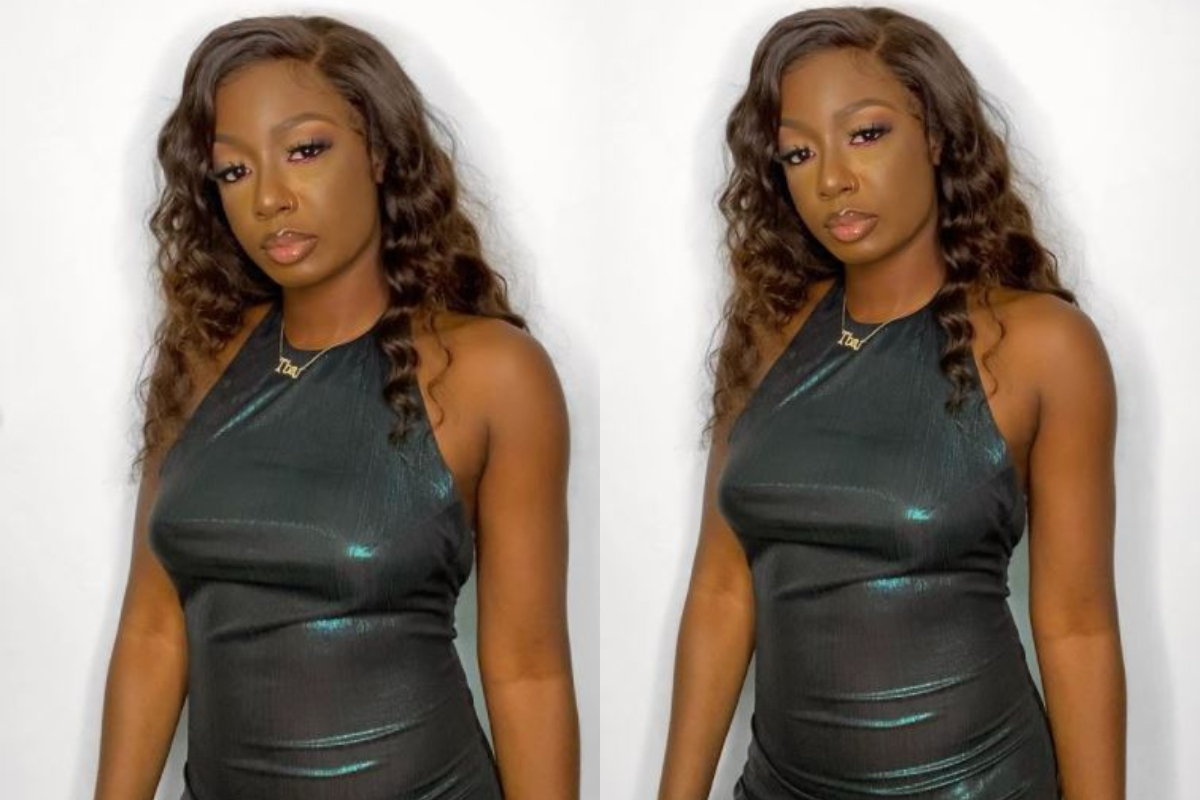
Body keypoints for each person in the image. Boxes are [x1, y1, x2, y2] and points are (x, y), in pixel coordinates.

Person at [93, 15, 579, 800]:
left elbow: (529, 670)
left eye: (305, 150)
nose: (270, 198)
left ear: (380, 152)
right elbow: (153, 630)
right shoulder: (199, 362)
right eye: (233, 170)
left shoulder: (493, 374)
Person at [658, 7, 1124, 800]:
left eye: (866, 134)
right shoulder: (767, 333)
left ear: (937, 135)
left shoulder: (1043, 346)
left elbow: (1078, 627)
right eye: (799, 152)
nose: (832, 179)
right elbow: (723, 590)